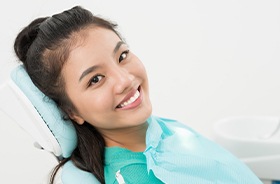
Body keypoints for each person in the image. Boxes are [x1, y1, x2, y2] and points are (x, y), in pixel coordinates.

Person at [14, 6, 262, 184]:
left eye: (122, 56)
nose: (125, 80)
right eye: (96, 79)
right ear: (71, 111)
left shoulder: (155, 132)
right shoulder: (134, 176)